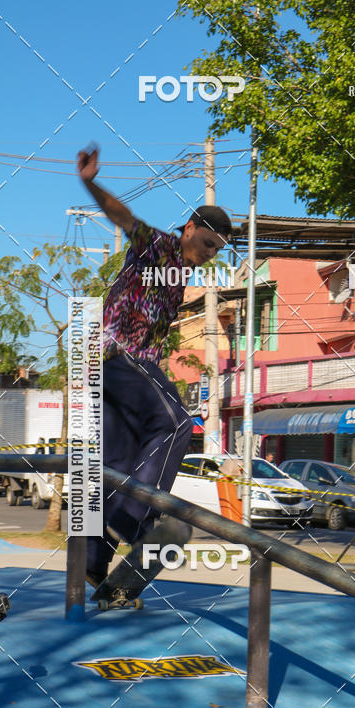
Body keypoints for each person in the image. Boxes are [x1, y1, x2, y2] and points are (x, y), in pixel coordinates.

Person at [77, 145, 232, 586]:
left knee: (117, 461)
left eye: (218, 250)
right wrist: (90, 183)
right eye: (207, 243)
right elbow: (124, 218)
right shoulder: (160, 246)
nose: (210, 254)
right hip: (119, 356)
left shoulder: (180, 274)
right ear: (189, 229)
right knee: (178, 422)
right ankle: (134, 518)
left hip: (106, 368)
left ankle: (93, 562)